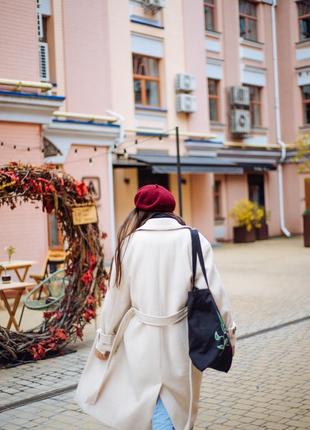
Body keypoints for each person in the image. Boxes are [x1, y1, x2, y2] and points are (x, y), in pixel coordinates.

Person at [75, 184, 236, 430]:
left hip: (140, 339)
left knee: (149, 404)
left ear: (138, 212)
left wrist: (105, 340)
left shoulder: (128, 244)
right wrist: (229, 336)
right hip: (183, 339)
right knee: (174, 407)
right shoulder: (194, 240)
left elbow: (116, 298)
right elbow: (216, 295)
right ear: (171, 209)